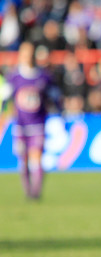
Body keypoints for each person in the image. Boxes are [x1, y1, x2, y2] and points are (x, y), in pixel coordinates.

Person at [2, 41, 62, 200]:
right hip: (20, 126)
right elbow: (5, 98)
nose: (27, 56)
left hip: (38, 124)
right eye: (24, 52)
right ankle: (28, 192)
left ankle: (36, 193)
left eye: (30, 52)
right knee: (23, 160)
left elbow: (55, 97)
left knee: (36, 158)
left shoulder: (44, 76)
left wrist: (60, 112)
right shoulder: (14, 77)